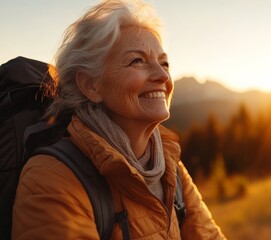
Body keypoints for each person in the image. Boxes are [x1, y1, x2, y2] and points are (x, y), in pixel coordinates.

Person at [12, 0, 226, 239]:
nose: (162, 75)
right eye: (137, 60)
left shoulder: (169, 168)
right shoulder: (52, 177)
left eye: (164, 63)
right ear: (90, 85)